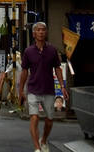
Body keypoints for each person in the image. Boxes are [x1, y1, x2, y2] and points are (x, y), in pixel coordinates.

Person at [18, 22, 69, 152]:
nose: (41, 32)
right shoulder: (29, 51)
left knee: (49, 120)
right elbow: (24, 71)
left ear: (46, 33)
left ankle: (44, 140)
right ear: (34, 33)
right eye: (38, 30)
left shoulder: (52, 50)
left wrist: (62, 86)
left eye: (43, 30)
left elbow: (57, 68)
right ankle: (37, 148)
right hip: (33, 89)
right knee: (34, 117)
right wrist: (21, 90)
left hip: (48, 89)